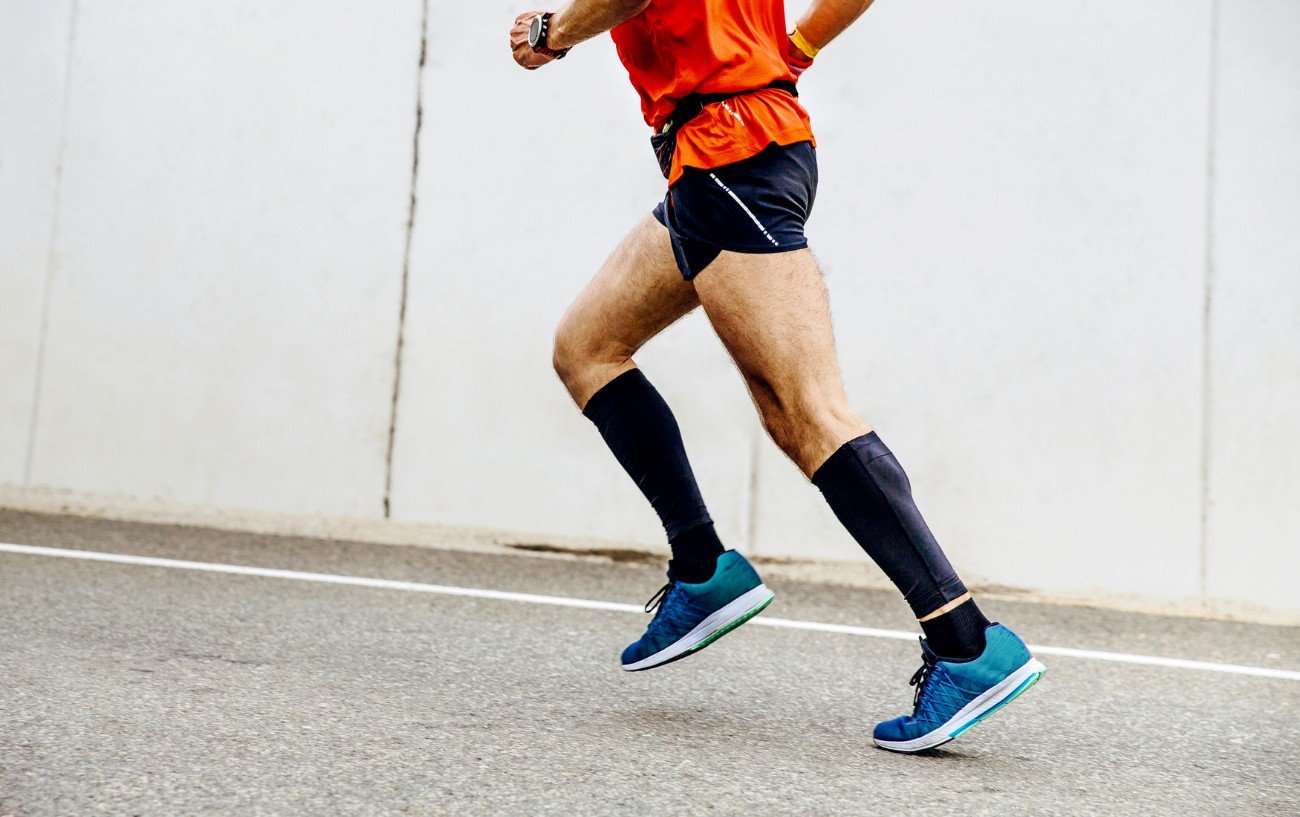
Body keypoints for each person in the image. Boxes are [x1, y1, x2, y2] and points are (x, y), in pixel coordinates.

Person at [508, 0, 1044, 753]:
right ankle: (703, 570)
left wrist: (553, 34)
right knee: (587, 346)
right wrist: (792, 48)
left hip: (731, 155)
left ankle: (966, 643)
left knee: (807, 412)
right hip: (715, 160)